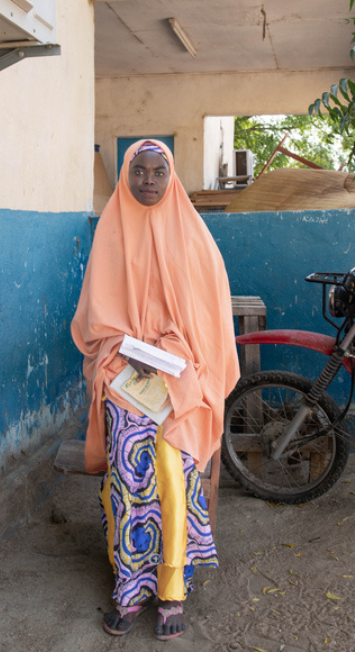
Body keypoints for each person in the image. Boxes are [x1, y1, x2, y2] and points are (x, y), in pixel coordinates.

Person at [71, 139, 240, 641]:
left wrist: (172, 351)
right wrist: (124, 347)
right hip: (125, 374)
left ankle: (171, 590)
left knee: (171, 465)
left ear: (172, 178)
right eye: (139, 171)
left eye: (158, 171)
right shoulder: (110, 232)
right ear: (126, 176)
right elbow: (96, 321)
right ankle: (129, 589)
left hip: (180, 377)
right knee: (127, 469)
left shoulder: (193, 236)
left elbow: (208, 323)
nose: (147, 180)